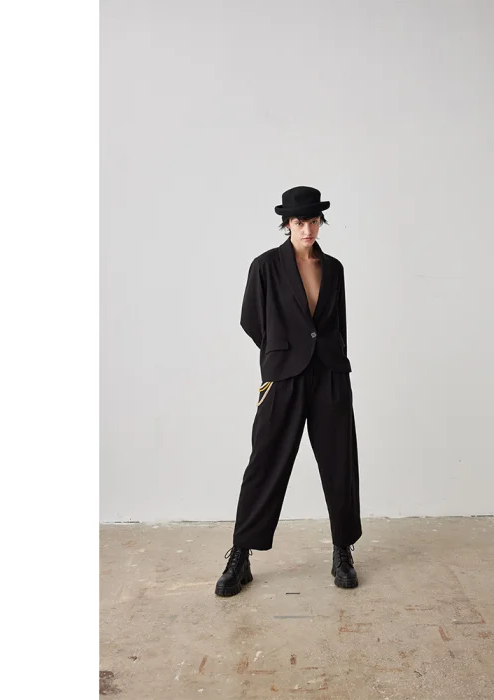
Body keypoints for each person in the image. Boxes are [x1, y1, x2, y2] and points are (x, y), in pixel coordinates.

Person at [215, 186, 362, 597]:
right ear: (287, 224)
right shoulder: (265, 266)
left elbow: (338, 323)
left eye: (314, 221)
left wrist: (331, 356)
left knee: (340, 462)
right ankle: (241, 554)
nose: (308, 229)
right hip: (284, 376)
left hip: (330, 373)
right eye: (300, 222)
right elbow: (251, 319)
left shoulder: (334, 268)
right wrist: (281, 350)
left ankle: (342, 549)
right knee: (266, 462)